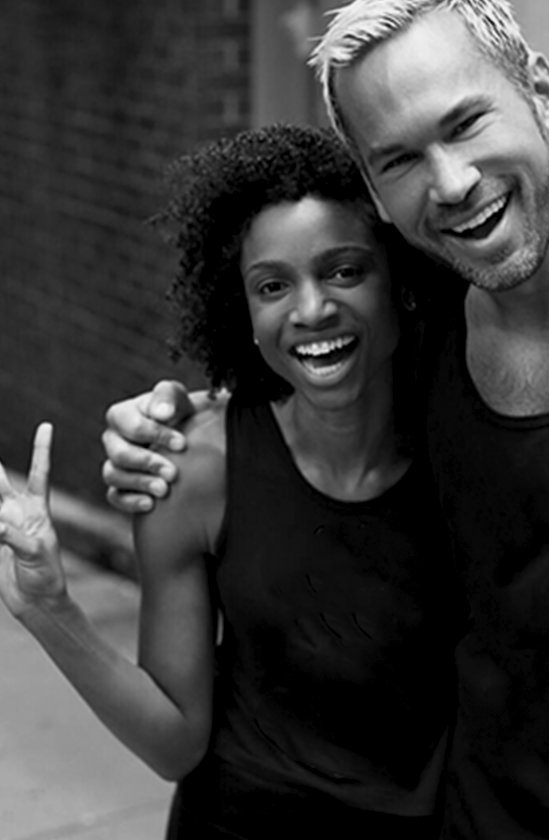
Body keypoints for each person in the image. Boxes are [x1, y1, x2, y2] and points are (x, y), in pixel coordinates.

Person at [99, 0, 549, 836]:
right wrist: (165, 423)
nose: (451, 182)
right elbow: (292, 430)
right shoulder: (420, 325)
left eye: (465, 123)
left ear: (543, 92)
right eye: (400, 159)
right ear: (375, 191)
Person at [0, 123, 466, 839]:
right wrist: (48, 610)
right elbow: (173, 742)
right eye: (272, 286)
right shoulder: (195, 470)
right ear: (242, 312)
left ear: (401, 281)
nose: (311, 310)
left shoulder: (467, 450)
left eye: (345, 271)